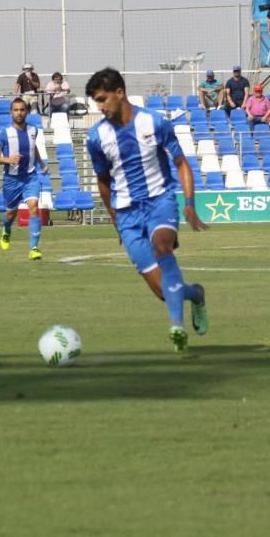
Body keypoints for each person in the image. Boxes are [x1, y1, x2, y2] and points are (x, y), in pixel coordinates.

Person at [84, 67, 209, 352]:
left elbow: (181, 163)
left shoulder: (154, 122)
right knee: (163, 292)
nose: (100, 107)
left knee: (163, 247)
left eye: (103, 99)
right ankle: (196, 294)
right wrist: (115, 221)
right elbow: (103, 182)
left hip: (159, 201)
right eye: (96, 102)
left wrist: (189, 203)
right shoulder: (97, 137)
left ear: (120, 92)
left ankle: (176, 328)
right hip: (127, 213)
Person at [0, 97, 48, 260]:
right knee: (10, 214)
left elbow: (32, 147)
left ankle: (34, 248)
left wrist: (42, 164)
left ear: (27, 111)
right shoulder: (4, 133)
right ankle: (6, 230)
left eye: (22, 110)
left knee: (34, 207)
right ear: (11, 112)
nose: (19, 113)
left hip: (30, 177)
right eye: (16, 110)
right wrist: (7, 160)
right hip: (11, 180)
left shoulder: (33, 130)